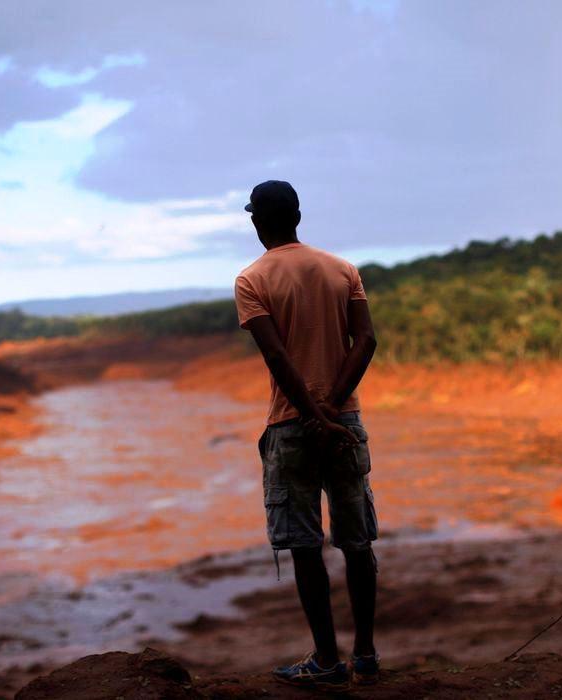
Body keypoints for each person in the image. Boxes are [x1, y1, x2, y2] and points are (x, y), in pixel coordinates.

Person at [233, 180, 381, 690]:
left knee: (304, 545)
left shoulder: (252, 280)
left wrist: (314, 418)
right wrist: (334, 409)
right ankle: (365, 655)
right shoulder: (343, 269)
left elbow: (276, 356)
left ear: (257, 222)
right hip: (345, 421)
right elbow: (366, 340)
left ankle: (326, 661)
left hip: (292, 425)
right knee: (357, 541)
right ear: (298, 215)